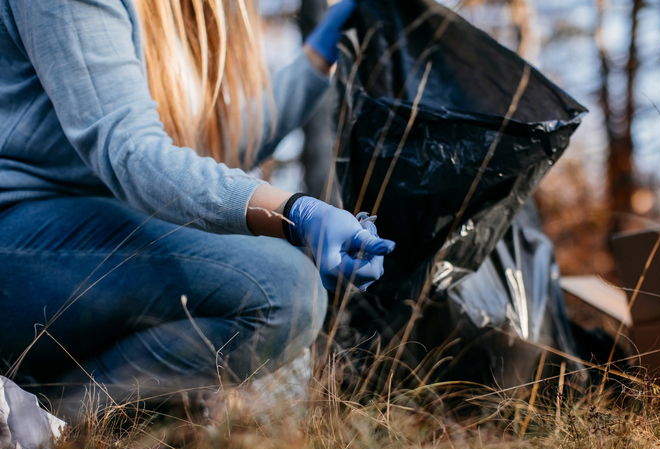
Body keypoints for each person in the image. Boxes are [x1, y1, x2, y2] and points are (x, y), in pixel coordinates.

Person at [0, 0, 394, 419]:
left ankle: (69, 414)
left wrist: (317, 58)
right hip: (18, 244)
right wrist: (296, 212)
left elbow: (211, 150)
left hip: (80, 240)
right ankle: (60, 424)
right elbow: (133, 154)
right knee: (279, 288)